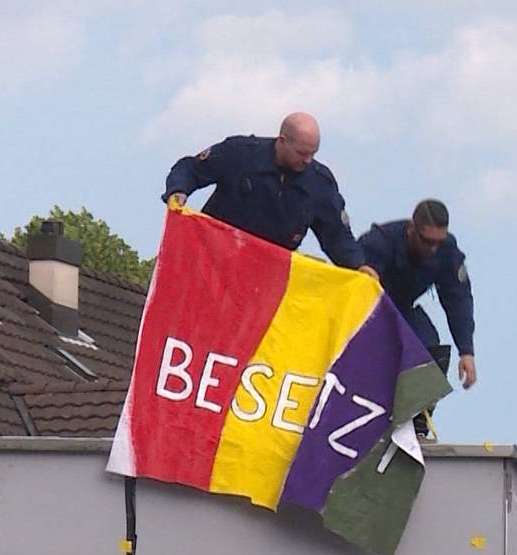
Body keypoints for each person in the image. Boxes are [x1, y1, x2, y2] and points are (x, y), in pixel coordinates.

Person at [163, 112, 374, 275]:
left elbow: (336, 235)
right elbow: (190, 169)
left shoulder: (320, 184)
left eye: (313, 153)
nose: (308, 160)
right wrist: (178, 191)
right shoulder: (241, 153)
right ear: (282, 141)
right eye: (302, 153)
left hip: (263, 283)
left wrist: (358, 266)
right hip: (210, 263)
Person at [359, 200, 478, 436]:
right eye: (427, 241)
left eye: (438, 242)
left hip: (403, 309)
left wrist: (466, 351)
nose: (433, 249)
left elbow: (458, 299)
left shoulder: (447, 251)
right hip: (366, 311)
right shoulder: (380, 242)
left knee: (431, 353)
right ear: (412, 228)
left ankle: (416, 427)